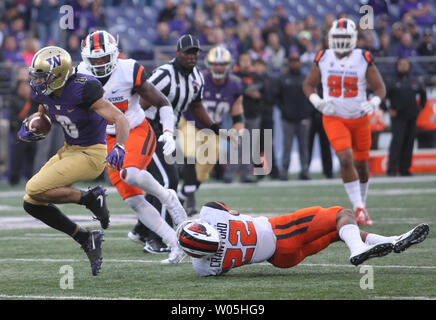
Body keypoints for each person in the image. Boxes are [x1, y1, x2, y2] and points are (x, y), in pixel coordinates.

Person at [18, 46, 130, 276]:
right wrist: (35, 125)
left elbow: (119, 117)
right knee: (31, 202)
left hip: (92, 153)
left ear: (59, 75)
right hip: (69, 149)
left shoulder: (84, 89)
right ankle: (85, 236)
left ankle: (90, 197)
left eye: (42, 76)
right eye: (36, 76)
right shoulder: (44, 91)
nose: (37, 81)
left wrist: (119, 145)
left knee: (33, 187)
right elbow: (44, 113)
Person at [77, 30, 187, 264]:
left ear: (115, 55)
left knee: (131, 173)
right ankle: (174, 243)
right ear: (85, 59)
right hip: (106, 138)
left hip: (136, 129)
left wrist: (168, 132)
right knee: (133, 201)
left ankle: (168, 197)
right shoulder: (79, 76)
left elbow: (162, 101)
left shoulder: (129, 70)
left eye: (103, 58)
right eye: (94, 59)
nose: (98, 64)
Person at [129, 34, 223, 254]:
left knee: (160, 180)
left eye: (195, 53)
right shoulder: (164, 74)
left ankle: (142, 229)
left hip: (166, 132)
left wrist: (214, 126)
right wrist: (130, 132)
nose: (191, 57)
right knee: (166, 179)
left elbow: (196, 105)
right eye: (187, 52)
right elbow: (140, 102)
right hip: (147, 129)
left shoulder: (197, 77)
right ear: (177, 53)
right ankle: (154, 238)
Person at [177, 201, 429, 276]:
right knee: (342, 215)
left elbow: (221, 268)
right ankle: (357, 250)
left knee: (335, 233)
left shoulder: (203, 267)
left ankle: (393, 239)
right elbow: (231, 212)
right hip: (280, 231)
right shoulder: (210, 212)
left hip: (281, 260)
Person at [303, 18, 386, 226]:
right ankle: (358, 207)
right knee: (345, 158)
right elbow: (308, 85)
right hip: (334, 117)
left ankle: (362, 204)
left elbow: (380, 88)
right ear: (330, 38)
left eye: (344, 37)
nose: (340, 41)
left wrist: (374, 101)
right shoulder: (323, 56)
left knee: (362, 165)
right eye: (337, 37)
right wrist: (318, 103)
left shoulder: (363, 58)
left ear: (353, 38)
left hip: (359, 119)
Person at [179, 46, 244, 216]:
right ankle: (190, 201)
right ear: (209, 65)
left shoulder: (234, 86)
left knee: (203, 173)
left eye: (222, 64)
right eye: (215, 64)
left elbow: (237, 117)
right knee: (191, 153)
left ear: (228, 66)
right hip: (191, 123)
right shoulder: (198, 79)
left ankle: (182, 195)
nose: (219, 68)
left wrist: (237, 133)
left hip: (213, 131)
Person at [273, 54, 312, 181]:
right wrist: (284, 110)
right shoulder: (283, 79)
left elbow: (312, 95)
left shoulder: (305, 78)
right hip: (287, 119)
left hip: (303, 118)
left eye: (297, 62)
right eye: (293, 62)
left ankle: (305, 170)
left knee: (304, 147)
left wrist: (307, 111)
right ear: (289, 63)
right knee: (287, 146)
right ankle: (285, 171)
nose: (295, 64)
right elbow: (277, 97)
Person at [385, 57, 427, 176]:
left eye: (405, 64)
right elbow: (383, 97)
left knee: (409, 143)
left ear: (409, 66)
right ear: (397, 66)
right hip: (398, 117)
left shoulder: (415, 81)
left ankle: (405, 169)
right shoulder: (391, 81)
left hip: (412, 117)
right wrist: (387, 110)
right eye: (401, 64)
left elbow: (423, 94)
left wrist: (420, 108)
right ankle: (392, 169)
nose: (403, 66)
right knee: (397, 143)